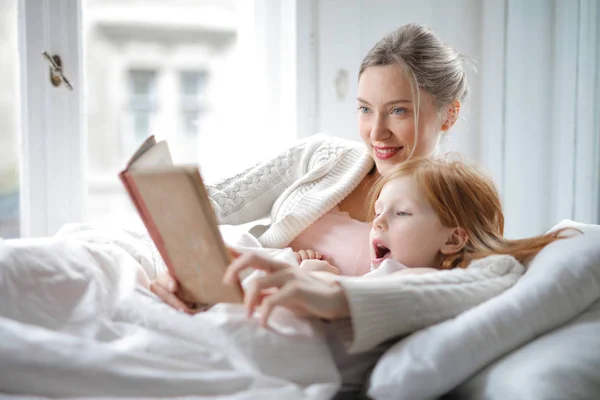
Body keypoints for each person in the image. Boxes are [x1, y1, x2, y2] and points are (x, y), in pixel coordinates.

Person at [152, 22, 468, 311]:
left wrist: (322, 286)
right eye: (365, 109)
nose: (375, 132)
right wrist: (184, 270)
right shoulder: (323, 156)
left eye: (398, 111)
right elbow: (213, 205)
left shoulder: (452, 214)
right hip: (229, 300)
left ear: (449, 114)